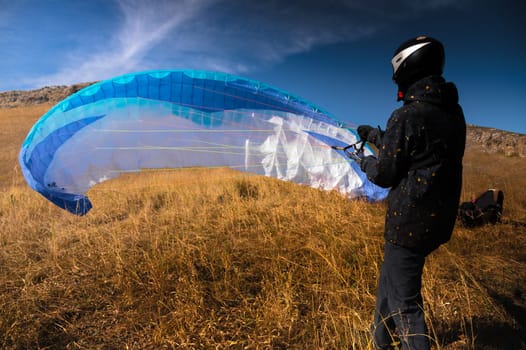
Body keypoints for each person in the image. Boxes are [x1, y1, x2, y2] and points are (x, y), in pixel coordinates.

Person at [357, 36, 466, 349]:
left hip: (408, 224)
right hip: (436, 221)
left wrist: (363, 161)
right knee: (388, 284)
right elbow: (419, 149)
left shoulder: (407, 116)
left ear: (406, 68)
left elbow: (385, 172)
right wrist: (376, 135)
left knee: (405, 303)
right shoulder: (451, 113)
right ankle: (380, 341)